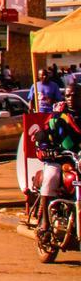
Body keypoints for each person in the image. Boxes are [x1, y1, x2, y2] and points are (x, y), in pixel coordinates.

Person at [34, 81, 81, 220]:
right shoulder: (58, 116)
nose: (71, 99)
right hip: (58, 159)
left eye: (75, 95)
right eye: (68, 95)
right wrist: (46, 149)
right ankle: (45, 223)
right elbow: (44, 135)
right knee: (51, 177)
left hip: (78, 161)